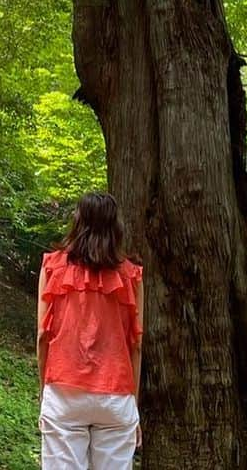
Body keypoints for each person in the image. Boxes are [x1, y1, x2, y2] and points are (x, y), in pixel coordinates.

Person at [37, 192, 143, 469]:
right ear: (116, 226)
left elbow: (42, 336)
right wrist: (135, 405)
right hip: (117, 395)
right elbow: (137, 344)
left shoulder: (52, 266)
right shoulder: (132, 275)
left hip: (63, 390)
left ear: (77, 221)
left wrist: (43, 392)